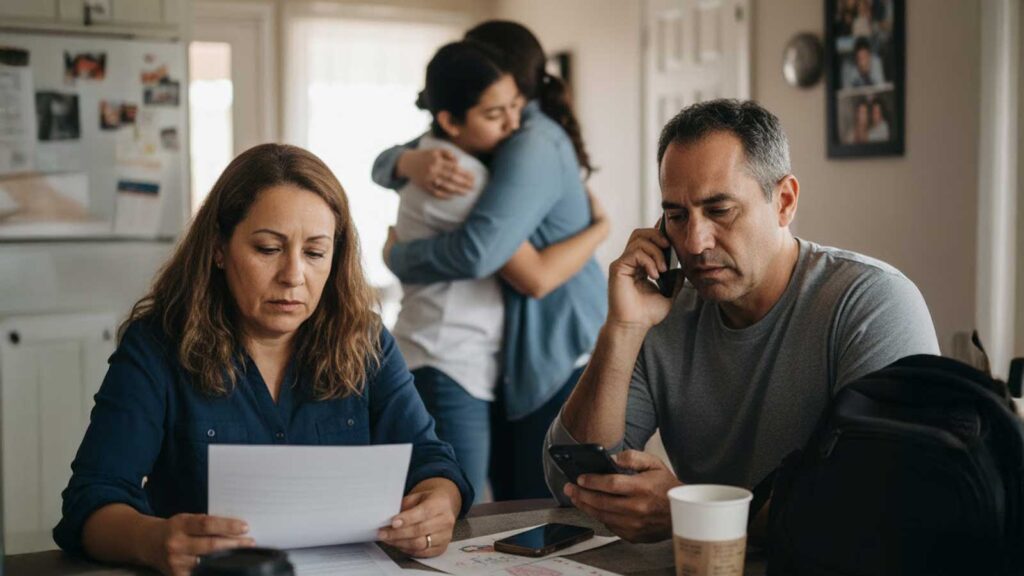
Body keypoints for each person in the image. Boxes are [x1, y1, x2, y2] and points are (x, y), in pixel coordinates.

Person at [53, 144, 473, 575]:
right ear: (219, 248)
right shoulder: (157, 346)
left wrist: (440, 501)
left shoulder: (365, 340)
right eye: (269, 249)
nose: (293, 276)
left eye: (314, 253)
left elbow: (431, 460)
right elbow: (92, 500)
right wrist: (152, 540)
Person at [543, 99, 939, 543]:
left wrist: (693, 514)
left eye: (719, 210)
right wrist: (622, 330)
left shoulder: (873, 303)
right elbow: (568, 481)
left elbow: (885, 499)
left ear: (784, 201)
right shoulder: (664, 307)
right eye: (676, 216)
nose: (695, 242)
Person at [374, 20, 607, 500]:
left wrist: (397, 256)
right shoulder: (470, 147)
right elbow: (423, 145)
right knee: (490, 496)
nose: (509, 118)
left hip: (552, 338)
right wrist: (401, 161)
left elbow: (492, 256)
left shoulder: (527, 142)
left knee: (533, 498)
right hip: (479, 353)